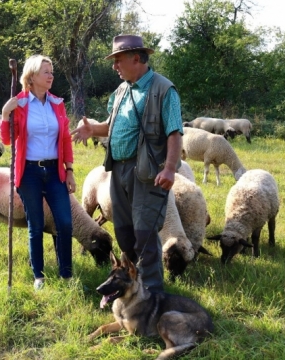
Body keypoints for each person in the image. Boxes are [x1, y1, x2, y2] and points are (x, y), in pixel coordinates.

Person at [71, 35, 183, 292]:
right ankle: (134, 290)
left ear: (136, 58)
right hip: (117, 171)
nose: (114, 67)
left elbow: (175, 132)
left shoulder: (164, 90)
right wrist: (93, 130)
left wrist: (169, 168)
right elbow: (110, 125)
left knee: (145, 235)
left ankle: (152, 294)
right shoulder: (122, 90)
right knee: (123, 233)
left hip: (147, 173)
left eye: (118, 60)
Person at [0, 54, 76, 290]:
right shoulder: (19, 104)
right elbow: (6, 140)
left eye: (52, 71)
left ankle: (66, 273)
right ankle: (39, 276)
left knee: (64, 222)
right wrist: (4, 115)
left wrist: (70, 170)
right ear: (31, 76)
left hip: (55, 172)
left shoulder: (57, 103)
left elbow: (64, 139)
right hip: (30, 173)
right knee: (36, 224)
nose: (51, 75)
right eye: (46, 71)